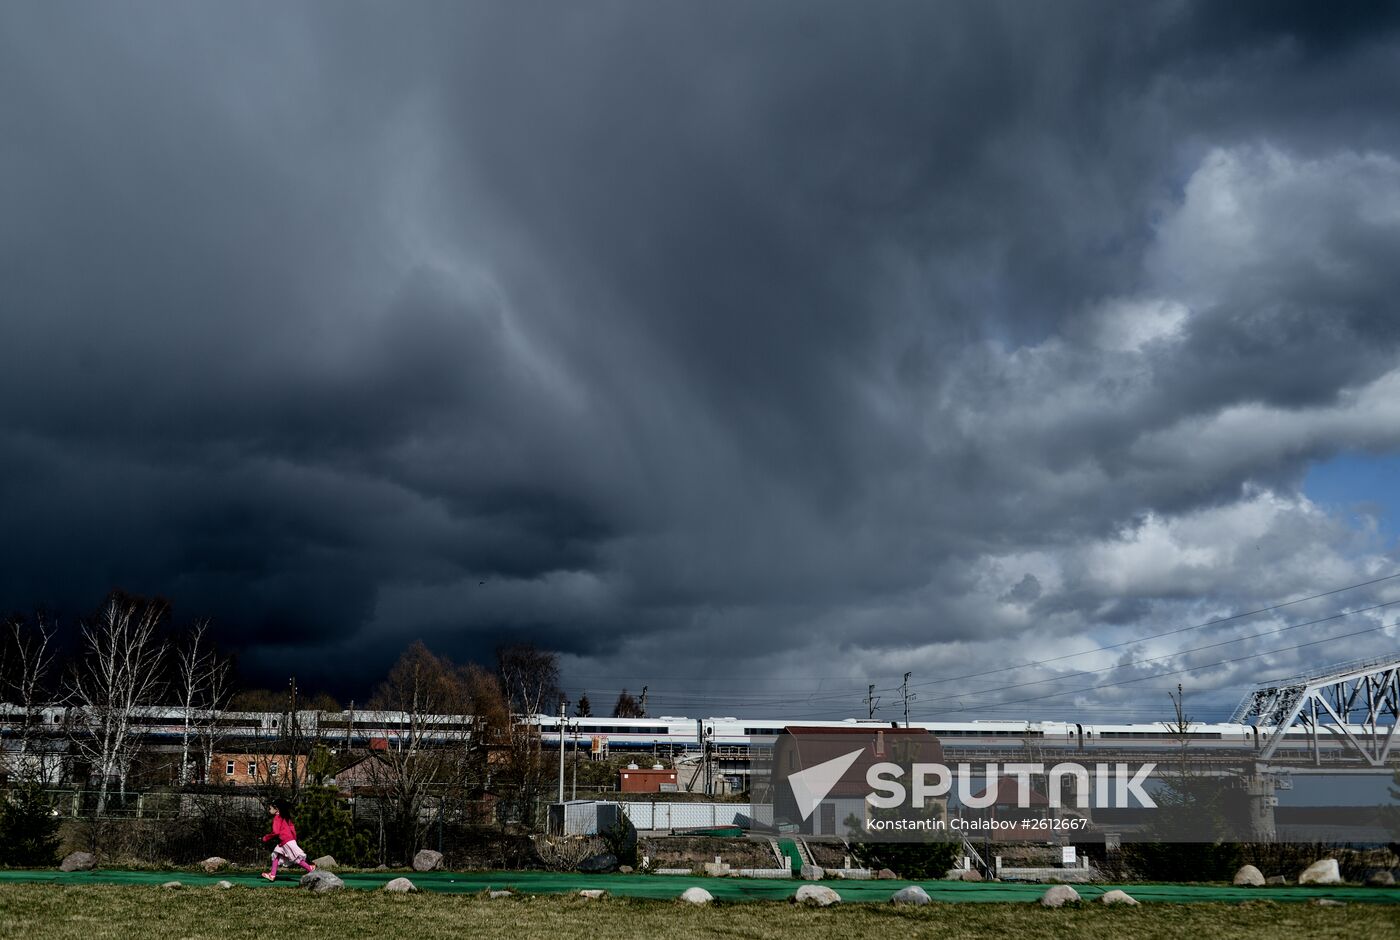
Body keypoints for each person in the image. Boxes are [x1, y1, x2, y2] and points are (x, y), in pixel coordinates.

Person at [261, 798, 316, 881]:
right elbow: (292, 828)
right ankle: (272, 875)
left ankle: (310, 868)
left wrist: (266, 838)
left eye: (270, 808)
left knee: (296, 859)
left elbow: (276, 832)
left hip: (286, 841)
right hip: (286, 841)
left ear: (276, 809)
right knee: (276, 854)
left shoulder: (277, 818)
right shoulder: (285, 817)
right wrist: (293, 839)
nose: (269, 810)